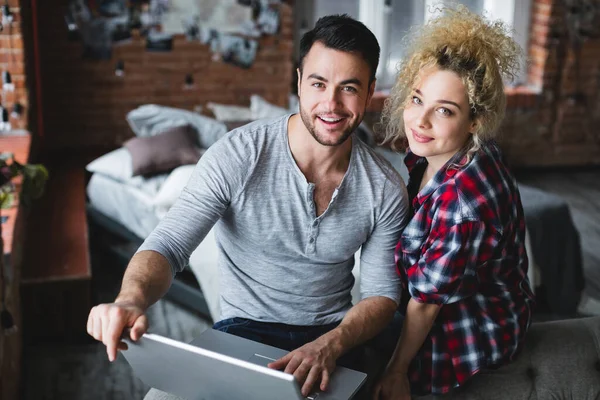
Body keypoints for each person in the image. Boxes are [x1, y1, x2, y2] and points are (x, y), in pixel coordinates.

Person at [86, 14, 409, 399]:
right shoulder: (239, 154)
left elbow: (381, 295)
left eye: (349, 88)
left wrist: (334, 343)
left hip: (332, 340)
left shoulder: (386, 188)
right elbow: (169, 244)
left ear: (371, 90)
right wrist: (130, 299)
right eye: (318, 84)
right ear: (299, 81)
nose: (332, 103)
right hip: (243, 331)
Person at [373, 5, 535, 399]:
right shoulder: (450, 152)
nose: (420, 120)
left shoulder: (463, 206)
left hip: (468, 332)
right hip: (447, 301)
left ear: (475, 120)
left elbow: (427, 303)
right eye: (416, 99)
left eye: (444, 110)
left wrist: (397, 371)